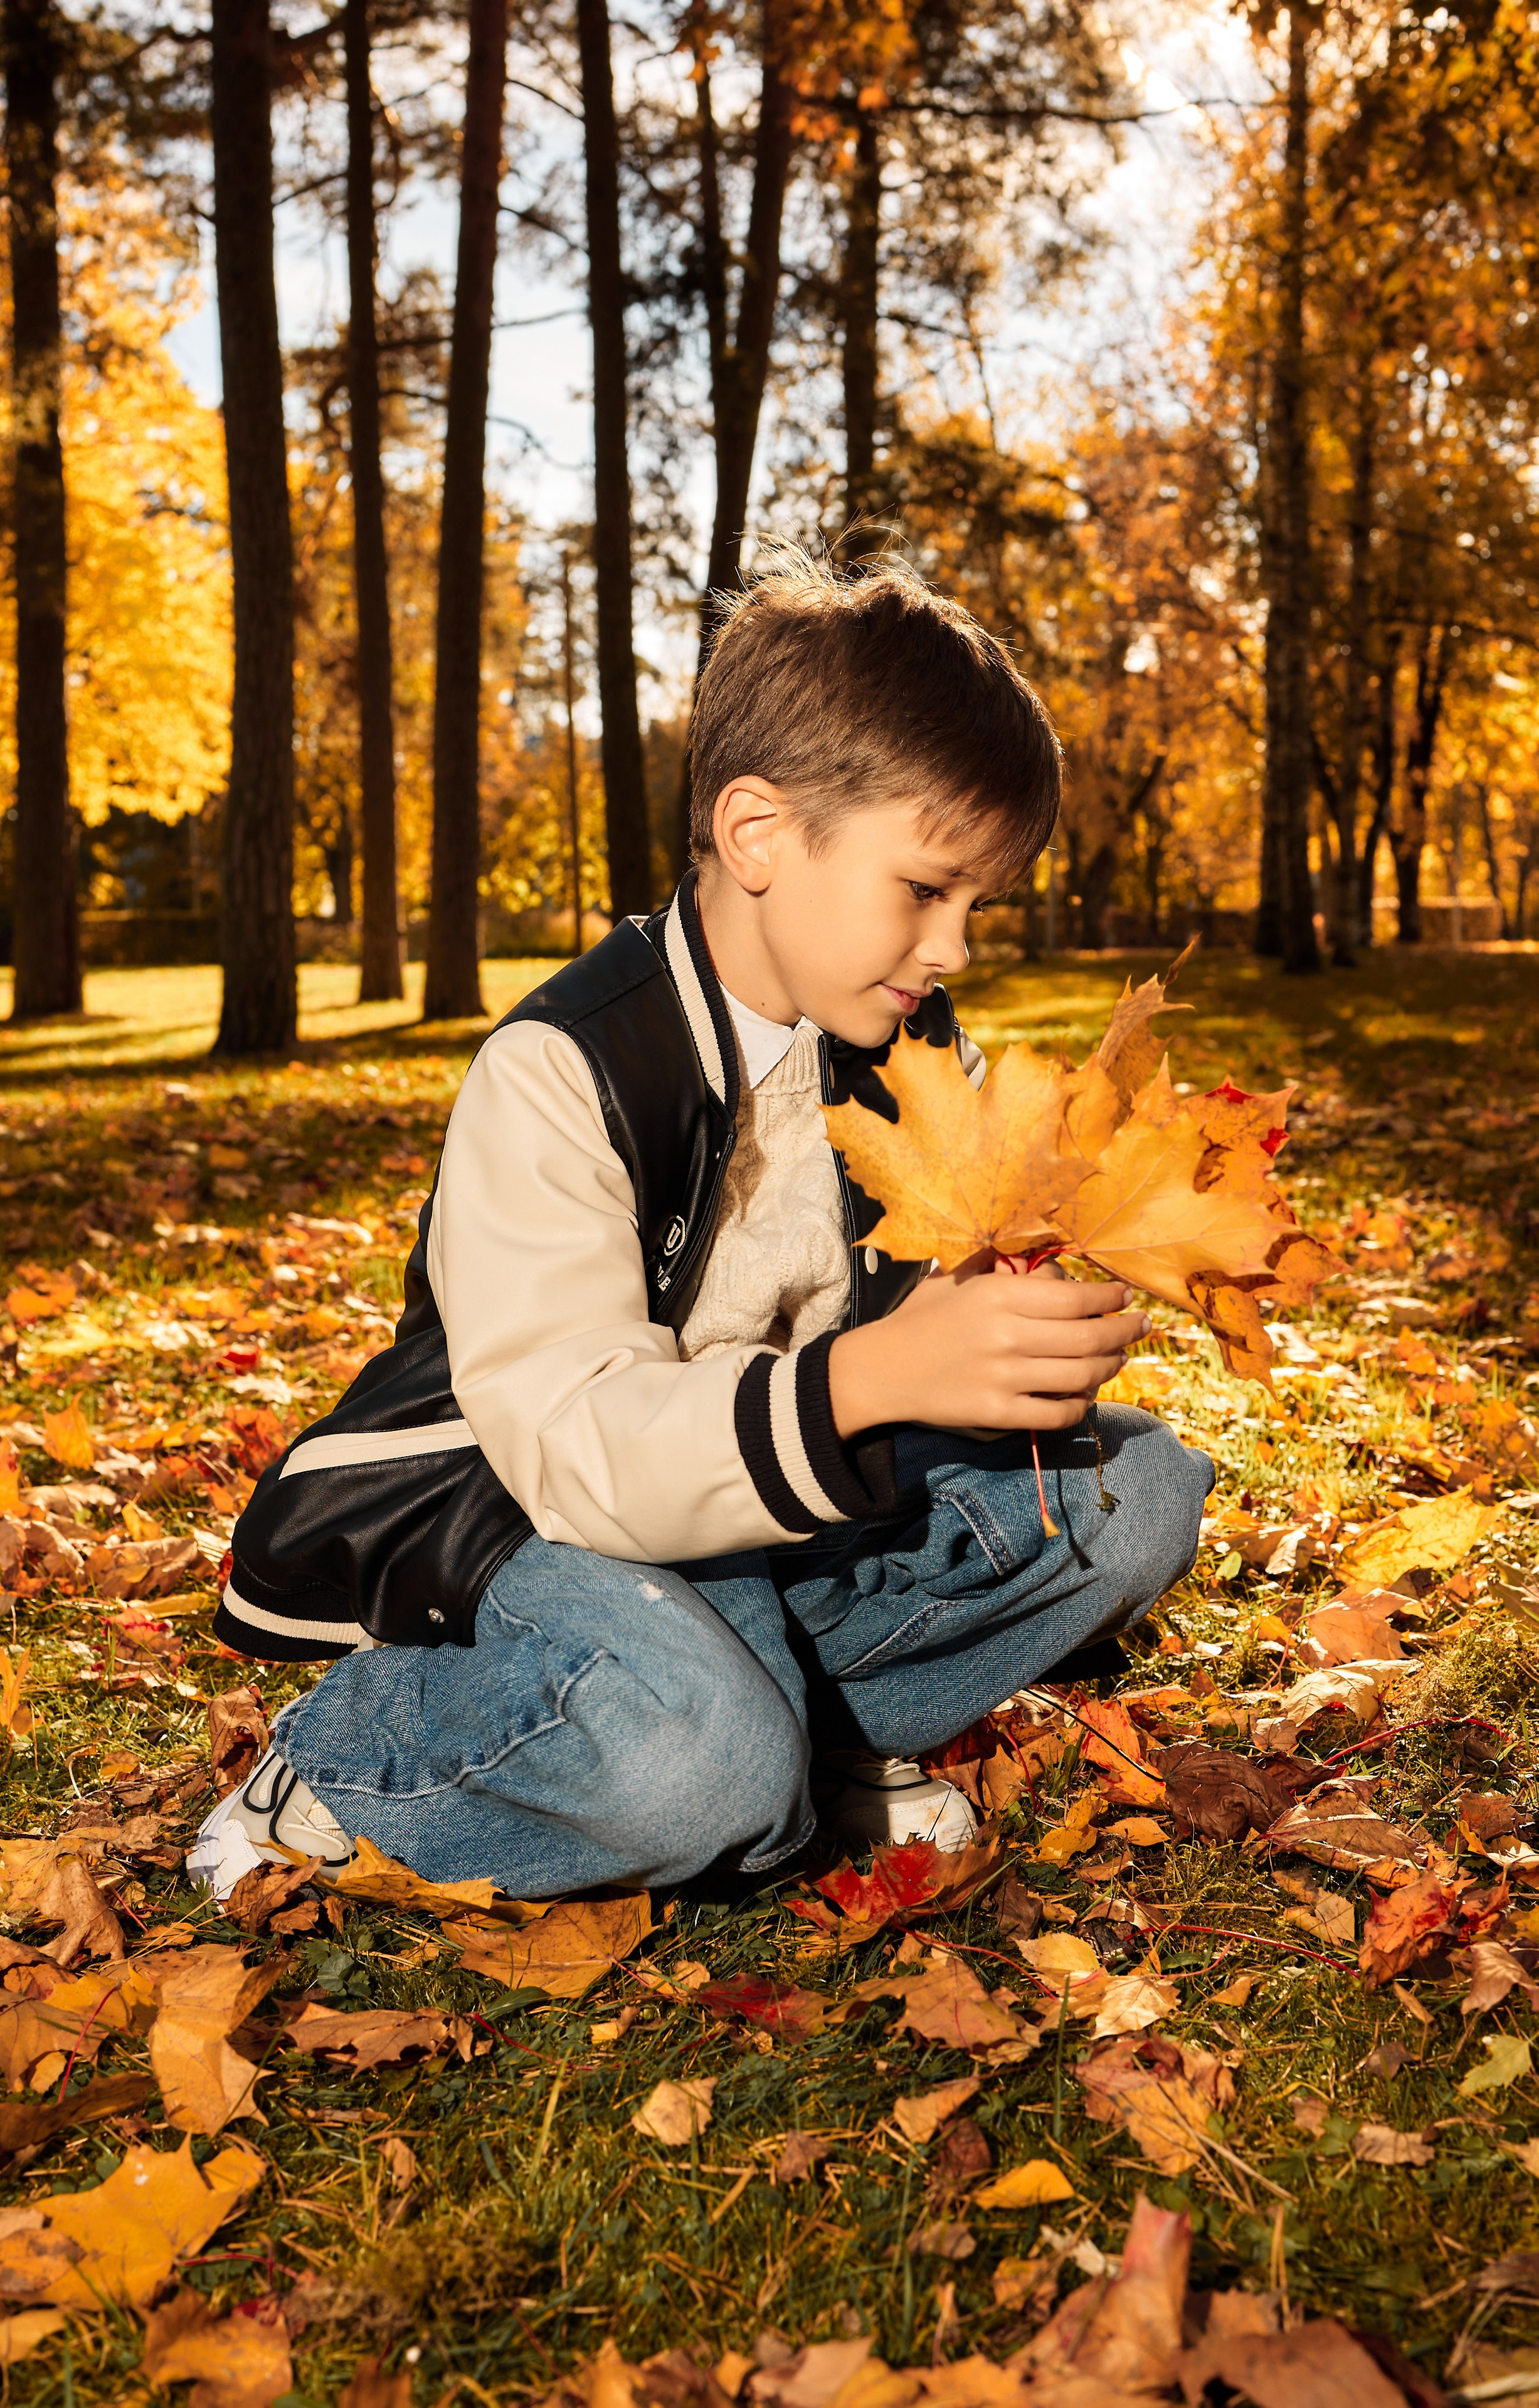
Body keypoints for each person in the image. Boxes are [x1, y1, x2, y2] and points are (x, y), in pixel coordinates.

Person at [189, 550, 1213, 1905]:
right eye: (923, 891)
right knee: (702, 1774)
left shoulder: (894, 1044)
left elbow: (920, 1311)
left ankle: (815, 1735)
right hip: (549, 1517)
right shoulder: (566, 1069)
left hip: (778, 1512)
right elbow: (576, 1448)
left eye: (977, 906)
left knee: (1135, 1496)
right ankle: (358, 1759)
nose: (953, 948)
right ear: (756, 837)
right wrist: (874, 1379)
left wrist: (1005, 1317)